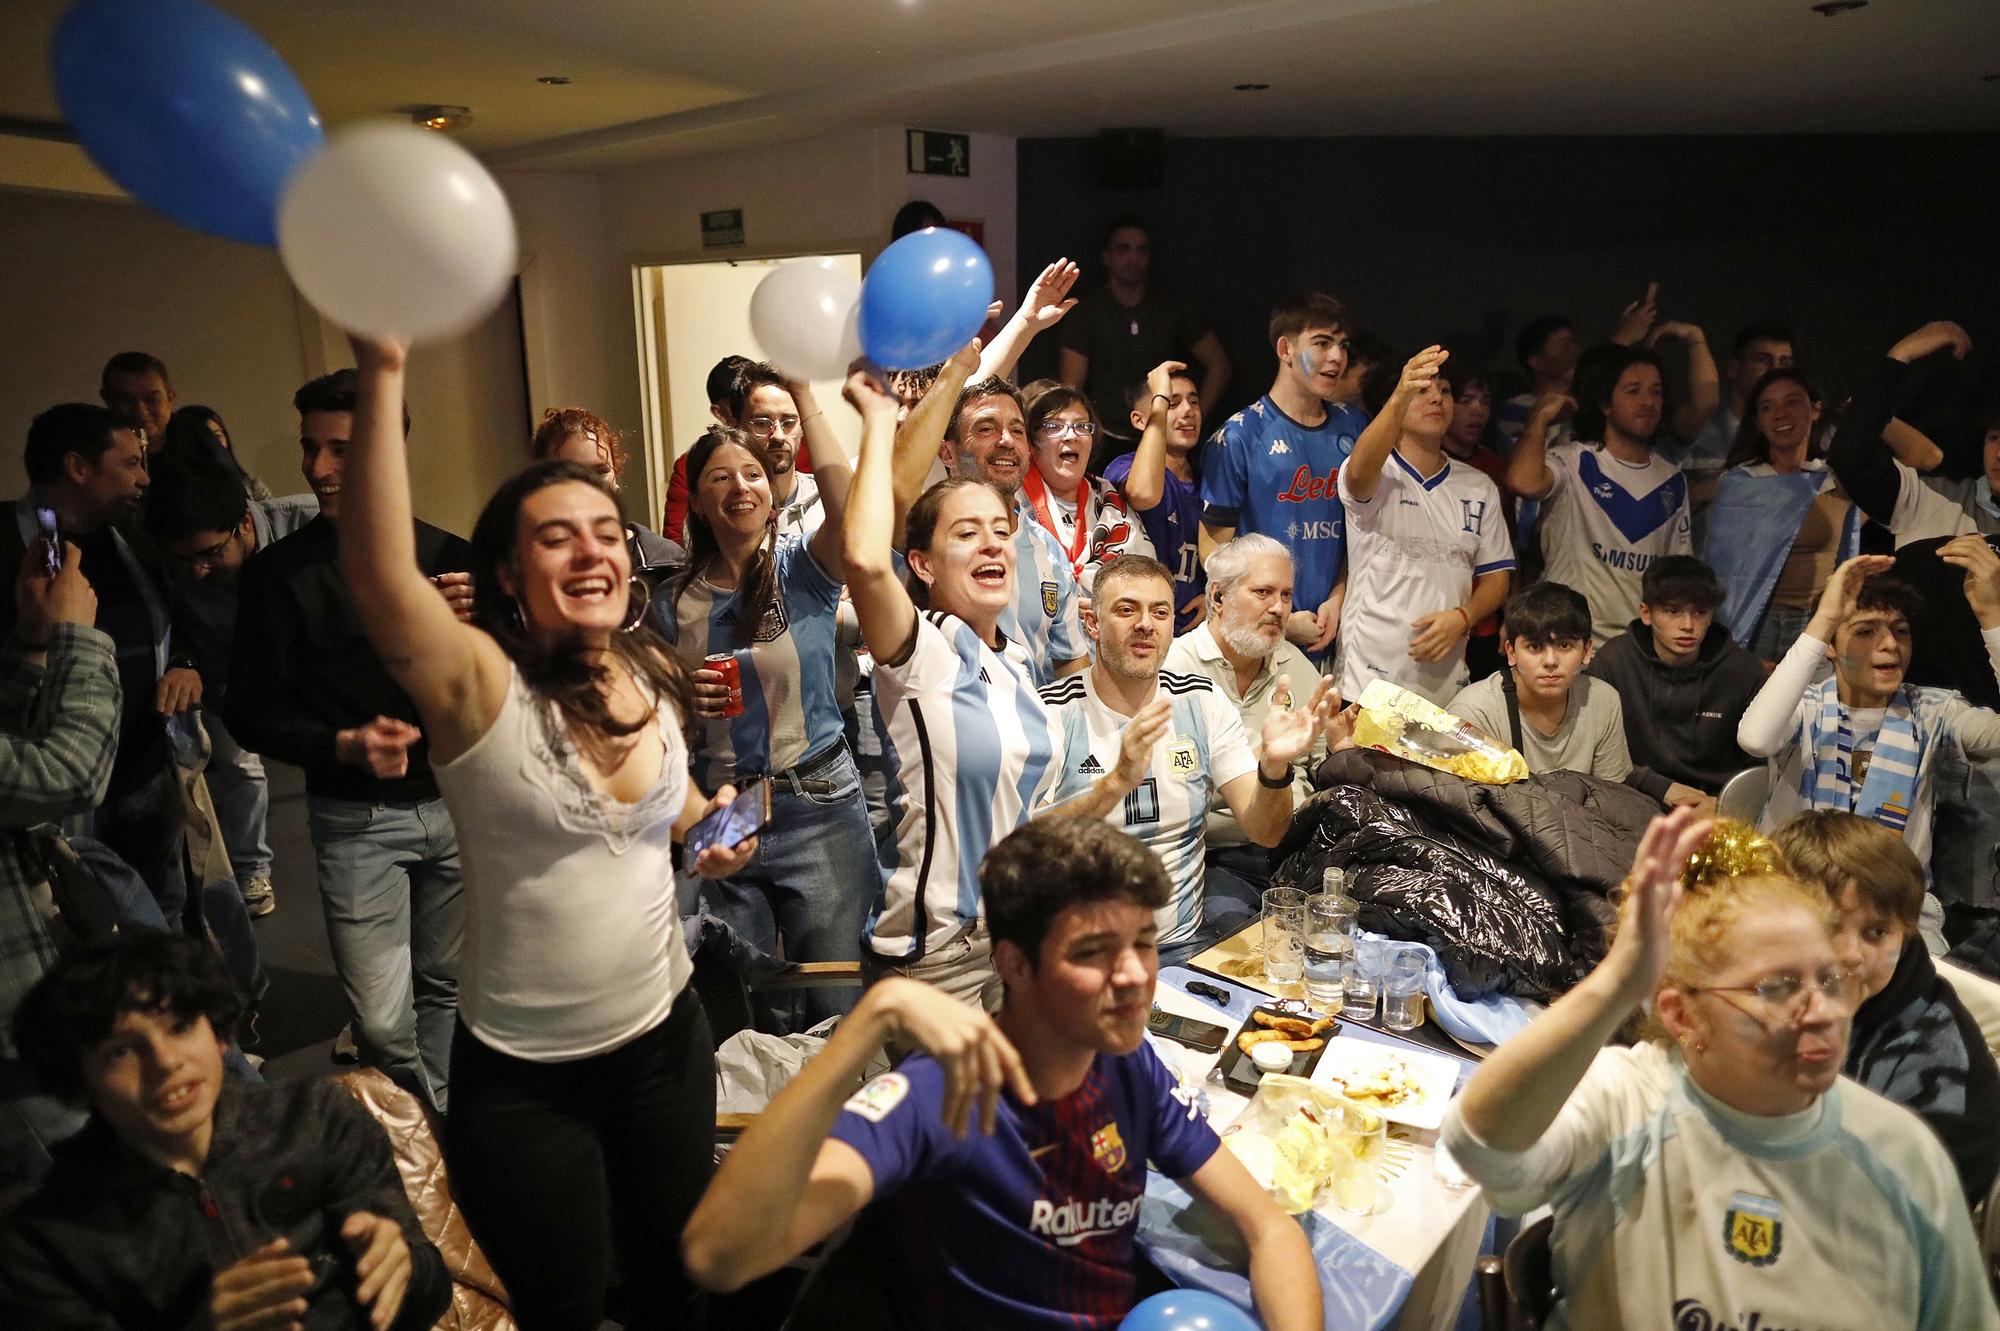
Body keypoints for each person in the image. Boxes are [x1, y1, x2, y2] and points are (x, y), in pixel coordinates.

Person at [337, 333, 755, 1328]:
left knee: (677, 1277)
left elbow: (684, 810)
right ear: (508, 574)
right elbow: (377, 573)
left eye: (605, 531)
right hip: (528, 1083)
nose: (591, 551)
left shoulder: (646, 669)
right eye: (555, 535)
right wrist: (383, 368)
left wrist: (721, 827)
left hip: (666, 1040)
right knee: (562, 1305)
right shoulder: (480, 682)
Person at [681, 816, 1322, 1331]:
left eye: (1144, 942)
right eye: (1093, 953)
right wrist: (868, 1023)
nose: (1133, 976)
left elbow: (1268, 1227)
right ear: (1013, 966)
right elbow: (718, 1257)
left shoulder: (1129, 1065)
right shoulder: (935, 1095)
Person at [1441, 809, 2000, 1330]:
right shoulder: (1629, 1098)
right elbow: (1480, 1145)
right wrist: (1616, 983)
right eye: (1777, 987)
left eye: (1829, 981)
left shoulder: (1906, 1155)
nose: (1822, 1012)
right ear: (1685, 1016)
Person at [225, 370, 468, 1114]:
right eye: (311, 449)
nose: (317, 468)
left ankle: (441, 1145)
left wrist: (494, 620)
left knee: (448, 990)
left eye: (340, 450)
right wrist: (344, 743)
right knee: (384, 1023)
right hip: (356, 821)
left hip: (456, 806)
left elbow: (509, 693)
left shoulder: (453, 558)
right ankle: (431, 1136)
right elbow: (251, 714)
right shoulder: (279, 576)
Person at [0, 932, 452, 1330]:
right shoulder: (48, 1234)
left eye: (179, 1026)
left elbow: (430, 1293)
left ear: (218, 1034)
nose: (165, 1062)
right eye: (120, 1051)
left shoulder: (316, 1117)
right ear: (78, 1080)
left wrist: (406, 1269)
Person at [847, 349, 1062, 1011]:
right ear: (924, 563)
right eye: (967, 533)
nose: (995, 544)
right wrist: (886, 418)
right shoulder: (924, 650)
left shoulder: (1020, 666)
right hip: (940, 956)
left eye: (1002, 530)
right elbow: (861, 555)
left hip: (1018, 938)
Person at [662, 383, 871, 1027]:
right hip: (724, 805)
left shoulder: (803, 570)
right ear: (697, 502)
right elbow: (645, 717)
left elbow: (852, 511)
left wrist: (808, 397)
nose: (741, 486)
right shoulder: (669, 602)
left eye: (752, 473)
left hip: (819, 800)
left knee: (836, 999)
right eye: (721, 478)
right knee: (742, 1005)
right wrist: (680, 698)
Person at [1039, 555, 1338, 963]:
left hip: (1181, 947)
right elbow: (1017, 848)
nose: (1145, 624)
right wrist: (1113, 785)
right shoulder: (1050, 713)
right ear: (1092, 624)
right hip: (1076, 953)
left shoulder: (1202, 700)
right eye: (1127, 610)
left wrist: (1274, 766)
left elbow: (1266, 831)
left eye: (1160, 612)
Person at [0, 405, 199, 927]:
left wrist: (183, 661)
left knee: (165, 911)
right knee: (82, 925)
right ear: (78, 467)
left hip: (146, 767)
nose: (144, 478)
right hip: (54, 786)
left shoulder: (133, 533)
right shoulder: (11, 545)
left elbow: (185, 613)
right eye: (131, 463)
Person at [1772, 810, 2000, 1207]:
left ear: (1908, 932)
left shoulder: (1937, 1062)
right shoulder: (1768, 991)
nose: (1850, 955)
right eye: (1826, 926)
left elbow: (1889, 1223)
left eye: (1876, 932)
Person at [1737, 549, 2000, 893]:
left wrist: (1993, 616)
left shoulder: (1933, 710)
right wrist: (1824, 619)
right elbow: (1756, 739)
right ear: (1829, 646)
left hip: (1895, 904)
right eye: (1865, 632)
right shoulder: (1803, 707)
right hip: (1793, 897)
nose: (1890, 644)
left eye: (1900, 631)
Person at [144, 437, 318, 917]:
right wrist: (186, 660)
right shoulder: (178, 563)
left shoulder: (308, 522)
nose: (197, 571)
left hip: (314, 679)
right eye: (184, 561)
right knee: (239, 766)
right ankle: (249, 870)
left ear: (245, 521)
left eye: (211, 553)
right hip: (229, 681)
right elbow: (166, 615)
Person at [0, 540, 119, 1186]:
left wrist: (28, 642)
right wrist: (75, 636)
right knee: (81, 1205)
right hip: (11, 1040)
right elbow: (68, 774)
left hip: (36, 999)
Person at [1335, 345, 1514, 705]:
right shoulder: (1377, 471)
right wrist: (1401, 392)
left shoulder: (1478, 486)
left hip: (1446, 687)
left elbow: (1498, 578)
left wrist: (1464, 617)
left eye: (1444, 390)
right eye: (1422, 389)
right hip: (1367, 683)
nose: (1437, 398)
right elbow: (1357, 474)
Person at [894, 364, 1089, 686]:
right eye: (986, 429)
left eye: (1017, 430)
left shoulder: (1048, 549)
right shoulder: (922, 531)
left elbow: (1071, 664)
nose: (1006, 441)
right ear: (946, 450)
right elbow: (897, 487)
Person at [1165, 533, 1329, 913]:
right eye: (1263, 592)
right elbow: (1170, 791)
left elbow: (1320, 769)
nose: (1278, 608)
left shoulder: (1293, 665)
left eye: (1286, 595)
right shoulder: (1173, 669)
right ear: (1218, 598)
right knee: (1235, 928)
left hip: (1296, 848)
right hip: (1213, 855)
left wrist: (1343, 747)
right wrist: (1254, 767)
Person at [1200, 292, 1366, 659]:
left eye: (1342, 345)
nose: (1337, 357)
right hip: (1260, 643)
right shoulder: (1239, 436)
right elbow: (1213, 550)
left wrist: (1338, 598)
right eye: (1322, 343)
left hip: (1340, 636)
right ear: (1285, 349)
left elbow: (1362, 531)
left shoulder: (1355, 427)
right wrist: (1279, 618)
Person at [1505, 344, 1695, 645]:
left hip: (1637, 645)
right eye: (1633, 391)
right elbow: (1523, 482)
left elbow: (1676, 573)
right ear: (1606, 403)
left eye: (1656, 392)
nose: (1648, 401)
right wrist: (1539, 420)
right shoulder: (1573, 460)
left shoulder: (1672, 480)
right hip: (1569, 636)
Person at [1702, 369, 1859, 663]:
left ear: (1815, 410)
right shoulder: (1740, 484)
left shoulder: (1835, 482)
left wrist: (1867, 414)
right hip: (1755, 627)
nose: (1780, 414)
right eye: (1767, 407)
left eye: (1792, 402)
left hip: (1818, 624)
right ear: (1757, 422)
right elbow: (1723, 573)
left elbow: (1921, 458)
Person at [1586, 557, 1766, 811]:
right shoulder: (1614, 661)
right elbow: (1591, 751)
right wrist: (1658, 787)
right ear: (1646, 613)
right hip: (1633, 797)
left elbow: (1763, 765)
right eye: (1673, 611)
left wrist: (1725, 802)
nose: (1687, 626)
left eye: (1700, 613)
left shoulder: (1743, 671)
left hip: (1717, 804)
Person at [1057, 214, 1230, 458]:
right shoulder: (1086, 312)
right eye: (1123, 249)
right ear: (1107, 257)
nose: (1133, 258)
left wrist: (1191, 414)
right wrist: (1085, 432)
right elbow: (1070, 387)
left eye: (1141, 250)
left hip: (1162, 436)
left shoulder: (1171, 307)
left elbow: (1219, 365)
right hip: (1106, 440)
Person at [1450, 582, 1632, 783]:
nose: (1550, 661)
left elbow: (1612, 797)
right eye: (1535, 647)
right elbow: (1467, 806)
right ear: (1511, 652)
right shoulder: (1475, 711)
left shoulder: (1603, 701)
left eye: (1564, 645)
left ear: (1587, 651)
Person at [1019, 385, 1154, 595]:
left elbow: (1148, 583)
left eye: (1082, 426)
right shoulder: (1010, 498)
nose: (1071, 436)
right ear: (1030, 442)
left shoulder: (1110, 501)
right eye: (1054, 427)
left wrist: (1104, 609)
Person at [531, 406, 685, 583]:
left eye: (600, 471)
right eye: (572, 473)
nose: (591, 485)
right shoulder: (529, 566)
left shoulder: (665, 561)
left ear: (616, 472)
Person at [1106, 361, 1207, 631]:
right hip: (1141, 631)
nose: (1188, 411)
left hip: (1195, 634)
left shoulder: (1210, 475)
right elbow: (1142, 493)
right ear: (1140, 419)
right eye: (1172, 403)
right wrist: (1159, 401)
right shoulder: (1123, 466)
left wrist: (1217, 597)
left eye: (1194, 401)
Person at [1678, 323, 1795, 479]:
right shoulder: (1702, 428)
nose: (1775, 370)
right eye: (1763, 360)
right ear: (1734, 368)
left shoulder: (1795, 434)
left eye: (1784, 362)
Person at [663, 354, 752, 545]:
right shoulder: (692, 465)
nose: (750, 409)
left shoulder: (792, 450)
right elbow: (675, 544)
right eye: (738, 403)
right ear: (719, 412)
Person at [1493, 314, 1581, 449]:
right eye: (1564, 346)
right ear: (1537, 363)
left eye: (1573, 343)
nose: (1574, 351)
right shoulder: (1517, 408)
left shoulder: (1585, 401)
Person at [159, 404, 277, 502]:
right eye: (202, 440)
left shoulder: (253, 488)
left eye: (217, 436)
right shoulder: (174, 495)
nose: (213, 446)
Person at [97, 350, 175, 447]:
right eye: (126, 401)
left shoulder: (196, 437)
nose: (140, 412)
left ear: (170, 399)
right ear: (107, 399)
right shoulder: (93, 450)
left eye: (153, 400)